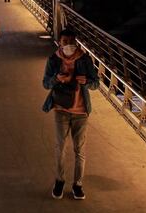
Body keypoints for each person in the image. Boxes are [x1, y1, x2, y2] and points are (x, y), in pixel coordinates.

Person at [42, 29, 99, 201]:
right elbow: (45, 83)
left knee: (79, 150)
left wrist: (87, 82)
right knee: (60, 148)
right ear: (59, 42)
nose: (68, 45)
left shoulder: (84, 59)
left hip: (81, 111)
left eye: (71, 41)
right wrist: (56, 79)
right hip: (61, 109)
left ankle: (77, 185)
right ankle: (59, 181)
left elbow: (96, 83)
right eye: (65, 41)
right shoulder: (53, 60)